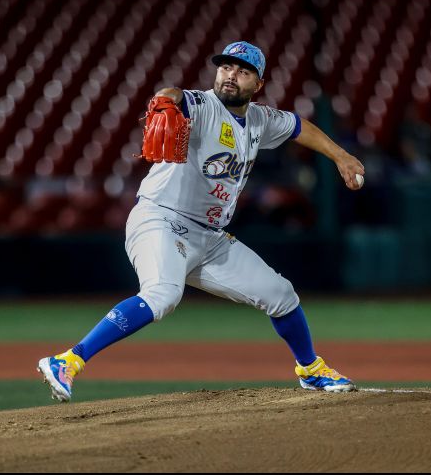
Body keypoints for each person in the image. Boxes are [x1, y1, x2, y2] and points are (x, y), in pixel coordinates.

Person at [38, 41, 366, 402]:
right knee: (163, 295)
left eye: (242, 71)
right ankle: (68, 360)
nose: (230, 75)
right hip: (161, 219)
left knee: (281, 294)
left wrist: (341, 156)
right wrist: (164, 100)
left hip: (209, 238)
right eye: (226, 67)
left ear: (258, 85)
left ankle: (310, 370)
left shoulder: (259, 119)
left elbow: (298, 126)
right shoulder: (204, 105)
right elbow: (174, 94)